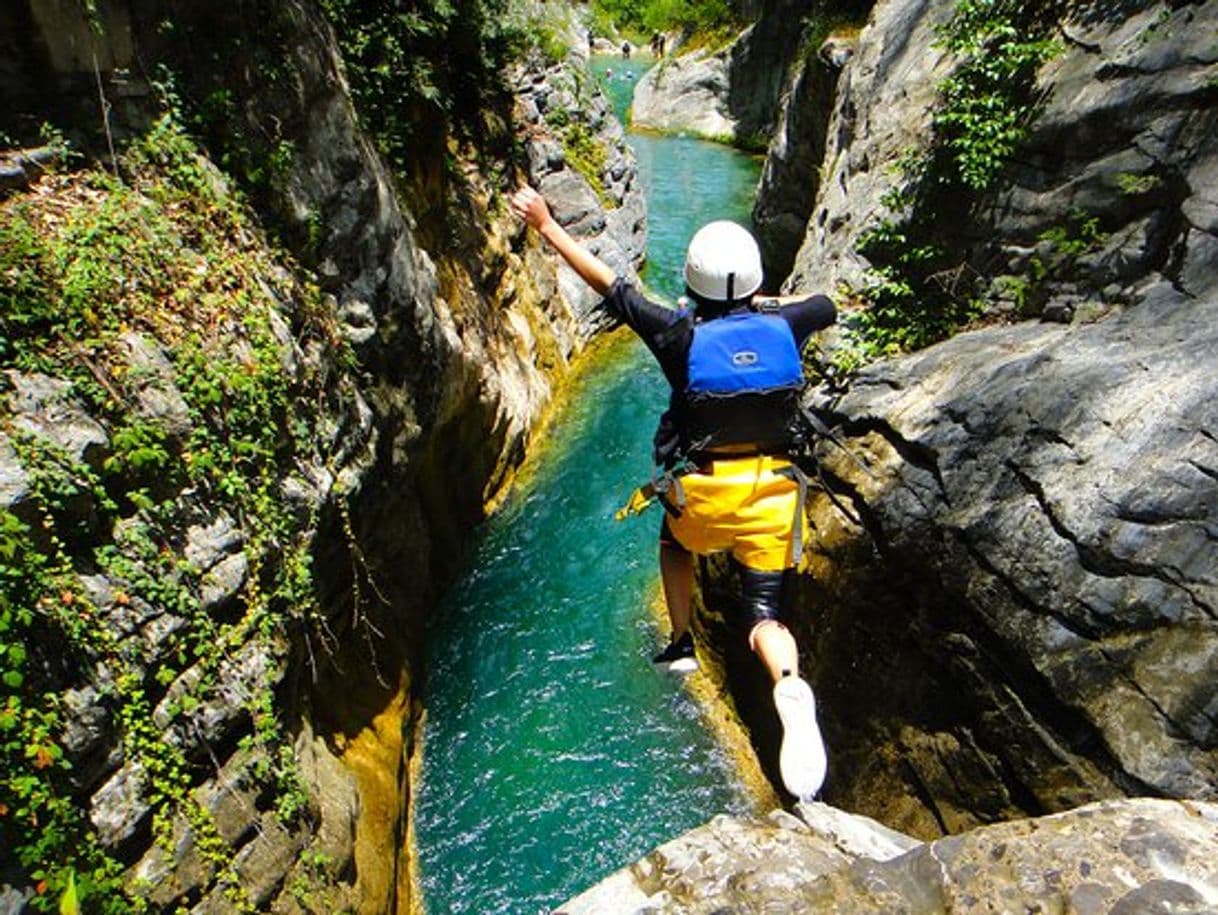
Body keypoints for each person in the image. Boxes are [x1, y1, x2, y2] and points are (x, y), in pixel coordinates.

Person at [509, 185, 834, 800]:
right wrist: (765, 303)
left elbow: (612, 286)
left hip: (706, 495)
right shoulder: (790, 324)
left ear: (693, 282)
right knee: (764, 615)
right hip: (774, 493)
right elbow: (825, 302)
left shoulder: (678, 336)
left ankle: (681, 641)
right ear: (755, 283)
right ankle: (787, 677)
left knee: (673, 544)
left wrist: (548, 225)